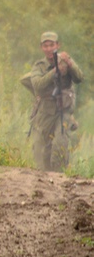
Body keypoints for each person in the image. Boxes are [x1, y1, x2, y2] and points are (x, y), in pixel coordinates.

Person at [23, 32, 83, 171]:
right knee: (40, 147)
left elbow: (79, 78)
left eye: (52, 45)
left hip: (63, 110)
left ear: (58, 45)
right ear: (41, 48)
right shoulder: (39, 66)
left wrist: (69, 64)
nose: (49, 49)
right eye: (45, 46)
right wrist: (55, 71)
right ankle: (42, 177)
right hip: (45, 110)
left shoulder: (66, 60)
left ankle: (59, 177)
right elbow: (37, 84)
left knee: (60, 142)